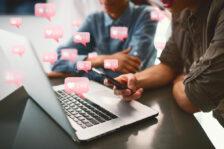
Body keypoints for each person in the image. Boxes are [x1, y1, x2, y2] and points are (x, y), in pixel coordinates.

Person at [105, 0, 224, 126]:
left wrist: (179, 79)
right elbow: (169, 64)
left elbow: (192, 100)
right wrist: (134, 80)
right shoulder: (180, 9)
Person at [48, 0, 158, 83]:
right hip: (102, 93)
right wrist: (102, 60)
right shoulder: (94, 19)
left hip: (141, 93)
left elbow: (128, 71)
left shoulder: (147, 15)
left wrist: (76, 72)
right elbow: (57, 60)